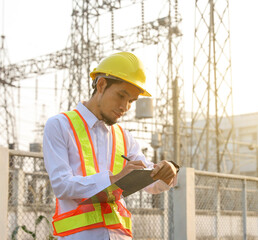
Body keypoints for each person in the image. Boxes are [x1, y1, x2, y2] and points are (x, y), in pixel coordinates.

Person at [43, 52, 179, 240]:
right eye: (121, 96)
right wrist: (113, 179)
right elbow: (61, 185)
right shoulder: (59, 125)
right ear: (101, 85)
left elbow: (151, 180)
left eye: (131, 101)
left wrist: (167, 172)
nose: (125, 107)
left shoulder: (124, 137)